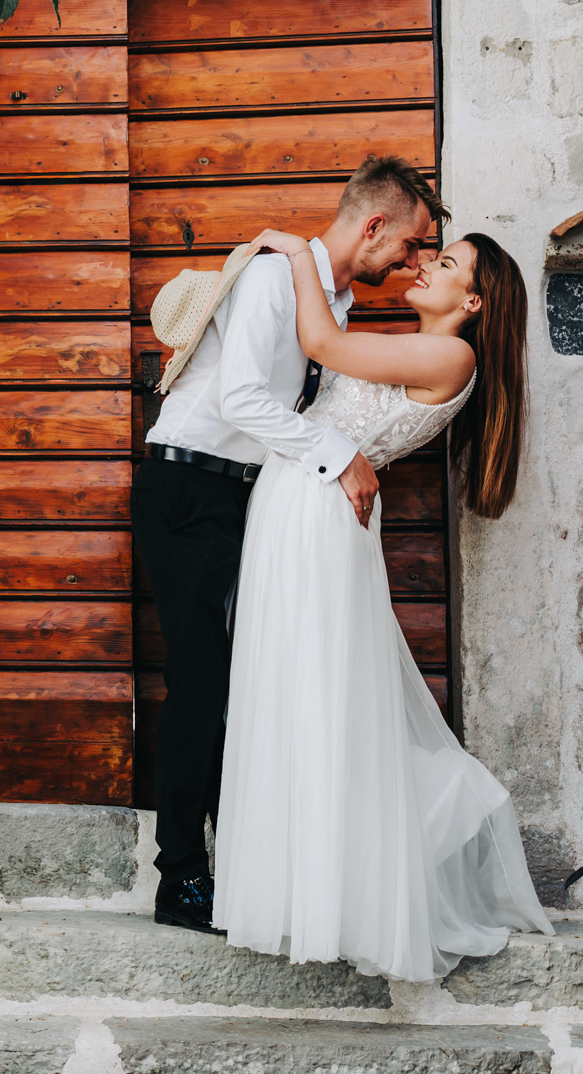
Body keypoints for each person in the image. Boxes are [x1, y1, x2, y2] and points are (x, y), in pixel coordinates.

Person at [215, 223, 551, 980]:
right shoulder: (421, 342)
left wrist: (300, 254)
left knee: (324, 694)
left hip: (320, 513)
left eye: (449, 263)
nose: (428, 265)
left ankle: (360, 876)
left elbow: (323, 344)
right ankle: (308, 884)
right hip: (298, 499)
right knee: (301, 689)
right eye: (433, 253)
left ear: (474, 300)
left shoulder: (450, 353)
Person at [131, 156, 437, 934]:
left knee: (245, 683)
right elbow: (240, 398)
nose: (410, 264)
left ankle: (241, 864)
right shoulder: (275, 280)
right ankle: (180, 879)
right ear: (373, 227)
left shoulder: (326, 301)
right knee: (200, 681)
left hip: (238, 496)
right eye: (409, 245)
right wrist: (338, 456)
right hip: (190, 487)